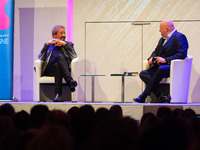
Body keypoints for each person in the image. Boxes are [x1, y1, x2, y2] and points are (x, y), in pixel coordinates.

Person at [133, 20, 188, 103]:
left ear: (166, 29)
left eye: (160, 28)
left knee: (161, 68)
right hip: (159, 67)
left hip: (172, 67)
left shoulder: (179, 36)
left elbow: (182, 53)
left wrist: (166, 60)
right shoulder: (162, 39)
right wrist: (151, 59)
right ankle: (163, 94)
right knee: (143, 73)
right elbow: (155, 51)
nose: (159, 30)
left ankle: (144, 95)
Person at [38, 25, 78, 102]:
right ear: (54, 35)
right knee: (59, 57)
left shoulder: (68, 44)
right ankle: (69, 81)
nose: (64, 35)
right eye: (61, 33)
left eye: (64, 33)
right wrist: (46, 45)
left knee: (57, 66)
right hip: (49, 70)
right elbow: (41, 57)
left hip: (62, 70)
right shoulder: (49, 45)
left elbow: (74, 57)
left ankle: (58, 96)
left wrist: (65, 45)